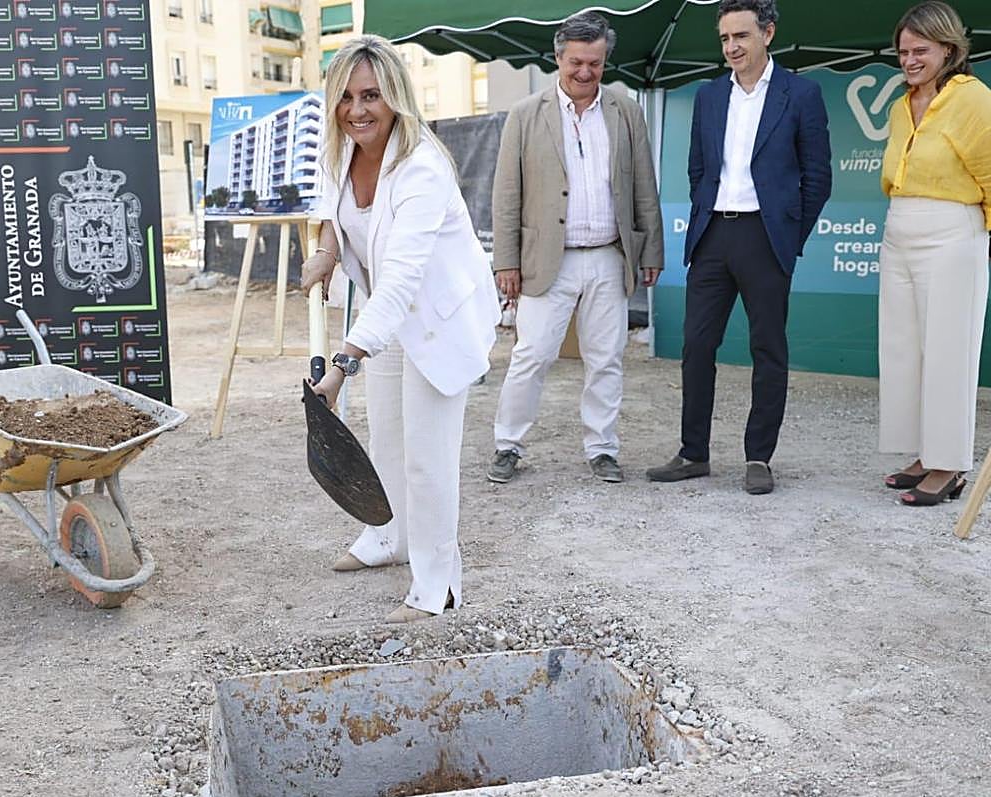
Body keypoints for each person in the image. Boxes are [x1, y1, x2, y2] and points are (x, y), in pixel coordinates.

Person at [300, 35, 499, 623]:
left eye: (372, 96)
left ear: (396, 98)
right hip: (385, 319)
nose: (357, 110)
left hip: (435, 319)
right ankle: (389, 540)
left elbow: (403, 283)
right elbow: (332, 213)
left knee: (427, 459)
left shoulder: (423, 168)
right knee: (386, 437)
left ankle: (439, 586)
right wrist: (327, 252)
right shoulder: (339, 151)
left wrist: (341, 367)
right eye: (346, 97)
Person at [646, 0, 831, 494]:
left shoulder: (801, 94)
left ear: (768, 33)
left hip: (766, 237)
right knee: (696, 345)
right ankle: (693, 453)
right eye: (725, 38)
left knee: (767, 348)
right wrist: (708, 209)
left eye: (742, 36)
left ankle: (759, 458)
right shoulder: (709, 95)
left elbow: (818, 177)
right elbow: (698, 168)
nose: (732, 47)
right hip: (712, 236)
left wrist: (789, 236)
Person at [486, 10, 663, 486]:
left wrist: (651, 252)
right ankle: (507, 445)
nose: (586, 72)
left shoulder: (626, 111)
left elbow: (644, 184)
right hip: (548, 261)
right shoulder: (525, 115)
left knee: (606, 359)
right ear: (558, 58)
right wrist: (506, 261)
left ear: (606, 61)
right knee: (531, 356)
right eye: (577, 63)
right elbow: (506, 195)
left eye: (596, 64)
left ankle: (602, 449)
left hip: (610, 255)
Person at [877, 1, 991, 506]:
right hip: (900, 226)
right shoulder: (901, 104)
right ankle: (924, 453)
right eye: (903, 51)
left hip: (952, 231)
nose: (909, 60)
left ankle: (949, 466)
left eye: (920, 50)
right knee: (905, 350)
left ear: (949, 48)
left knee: (948, 352)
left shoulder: (973, 99)